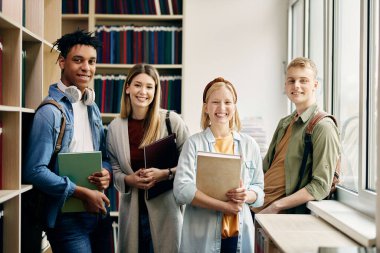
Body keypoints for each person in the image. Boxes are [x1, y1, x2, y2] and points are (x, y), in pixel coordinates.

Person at [23, 30, 113, 253]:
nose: (86, 68)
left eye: (91, 62)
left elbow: (104, 156)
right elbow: (34, 171)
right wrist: (82, 193)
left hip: (98, 211)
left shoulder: (91, 106)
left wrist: (106, 172)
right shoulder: (50, 112)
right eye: (78, 60)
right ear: (62, 62)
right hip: (67, 219)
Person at [173, 77, 264, 253]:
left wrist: (246, 195)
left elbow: (260, 192)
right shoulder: (193, 144)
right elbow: (181, 190)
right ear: (206, 107)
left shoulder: (249, 144)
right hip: (202, 237)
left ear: (234, 106)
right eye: (215, 102)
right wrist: (224, 207)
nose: (222, 108)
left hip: (238, 236)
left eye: (228, 102)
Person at [106, 63, 190, 253]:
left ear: (155, 91)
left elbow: (193, 164)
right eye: (137, 85)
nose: (143, 91)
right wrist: (129, 179)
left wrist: (165, 173)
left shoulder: (171, 120)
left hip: (167, 213)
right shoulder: (115, 128)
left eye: (149, 86)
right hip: (132, 213)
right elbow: (114, 170)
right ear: (127, 87)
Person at [251, 57, 340, 215]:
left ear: (315, 85)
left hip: (276, 214)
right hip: (254, 207)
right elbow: (264, 170)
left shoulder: (323, 126)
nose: (296, 86)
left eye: (303, 80)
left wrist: (276, 206)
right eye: (291, 81)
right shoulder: (285, 123)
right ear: (285, 85)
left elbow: (320, 186)